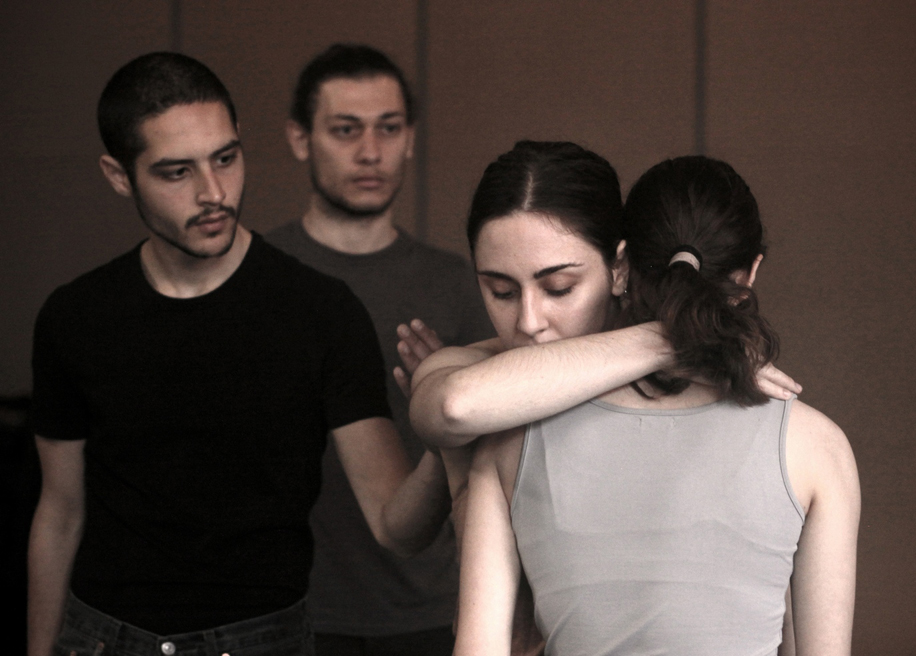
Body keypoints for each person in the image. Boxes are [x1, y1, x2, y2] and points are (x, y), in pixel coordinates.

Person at [27, 51, 451, 656]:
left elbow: (395, 527)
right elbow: (60, 513)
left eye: (225, 158)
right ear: (120, 176)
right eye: (177, 172)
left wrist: (444, 442)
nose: (213, 192)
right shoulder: (75, 316)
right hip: (103, 638)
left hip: (261, 640)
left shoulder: (321, 311)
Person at [408, 144, 858, 655]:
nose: (529, 322)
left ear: (621, 267)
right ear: (748, 274)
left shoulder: (508, 441)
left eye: (559, 287)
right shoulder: (816, 446)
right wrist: (685, 335)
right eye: (502, 292)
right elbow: (455, 407)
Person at [265, 43, 494, 656]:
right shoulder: (259, 276)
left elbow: (497, 462)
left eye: (388, 128)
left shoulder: (457, 283)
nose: (371, 152)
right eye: (346, 130)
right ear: (300, 138)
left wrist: (444, 396)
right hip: (287, 607)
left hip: (429, 608)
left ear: (410, 138)